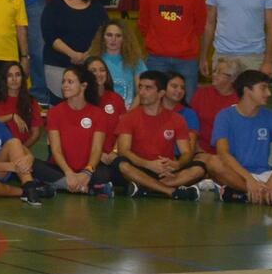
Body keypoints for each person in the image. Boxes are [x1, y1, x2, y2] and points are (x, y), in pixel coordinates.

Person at [205, 71, 272, 206]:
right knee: (213, 162)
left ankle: (245, 195)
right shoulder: (225, 116)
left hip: (266, 174)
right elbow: (223, 153)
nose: (269, 93)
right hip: (238, 175)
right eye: (263, 88)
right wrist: (248, 178)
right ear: (247, 90)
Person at [113, 72, 206, 200]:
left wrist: (177, 165)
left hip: (165, 170)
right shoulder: (128, 117)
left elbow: (187, 152)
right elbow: (123, 151)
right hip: (139, 167)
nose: (142, 92)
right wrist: (148, 164)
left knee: (199, 169)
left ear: (161, 93)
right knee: (121, 164)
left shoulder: (177, 119)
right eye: (140, 87)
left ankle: (146, 188)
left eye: (148, 88)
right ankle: (170, 191)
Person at [43, 66, 117, 196]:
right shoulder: (54, 112)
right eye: (63, 82)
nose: (65, 85)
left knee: (105, 174)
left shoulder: (98, 114)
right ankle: (88, 189)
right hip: (62, 169)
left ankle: (66, 185)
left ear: (83, 86)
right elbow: (56, 150)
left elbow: (97, 149)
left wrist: (87, 172)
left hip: (89, 169)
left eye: (70, 82)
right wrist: (69, 173)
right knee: (33, 166)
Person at [135, 0, 205, 82]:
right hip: (156, 58)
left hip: (186, 59)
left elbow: (200, 25)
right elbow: (143, 24)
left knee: (187, 99)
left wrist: (185, 44)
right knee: (154, 99)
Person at [40, 0, 104, 104]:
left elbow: (102, 35)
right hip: (58, 65)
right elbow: (49, 35)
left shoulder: (96, 7)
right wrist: (73, 54)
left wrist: (87, 55)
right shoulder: (53, 6)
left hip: (89, 65)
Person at [96, 20, 144, 102]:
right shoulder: (95, 60)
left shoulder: (135, 61)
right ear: (102, 38)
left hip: (129, 110)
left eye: (118, 36)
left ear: (125, 39)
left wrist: (129, 113)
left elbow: (142, 93)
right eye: (109, 35)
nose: (113, 39)